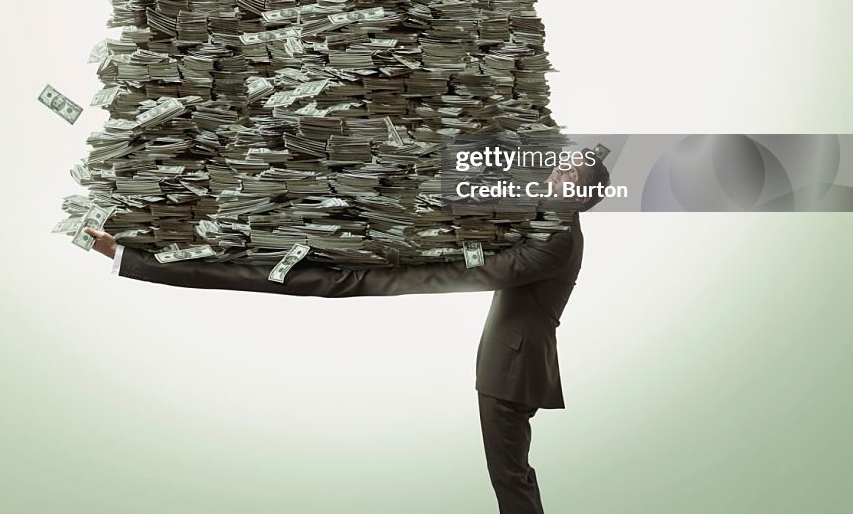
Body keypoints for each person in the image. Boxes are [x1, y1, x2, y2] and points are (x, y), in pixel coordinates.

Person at [86, 156, 608, 513]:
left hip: (512, 369)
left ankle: (133, 261)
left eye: (565, 173)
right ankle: (132, 259)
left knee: (510, 474)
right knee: (512, 472)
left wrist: (408, 253)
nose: (553, 172)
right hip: (510, 362)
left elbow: (487, 270)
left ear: (578, 193)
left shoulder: (557, 237)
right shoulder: (548, 224)